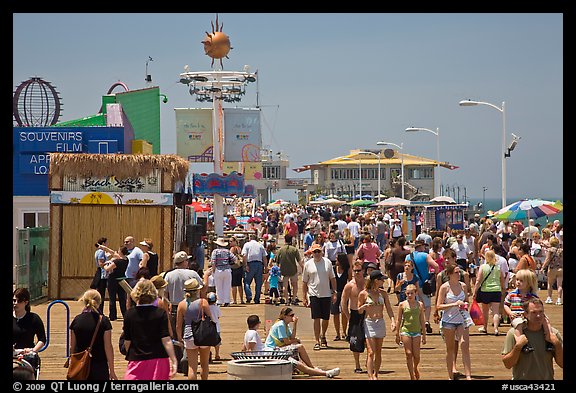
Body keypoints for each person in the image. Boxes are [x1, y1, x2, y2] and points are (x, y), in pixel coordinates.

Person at [122, 279, 178, 380]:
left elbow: (127, 341)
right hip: (159, 359)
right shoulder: (160, 313)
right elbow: (166, 339)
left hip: (137, 359)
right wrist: (174, 360)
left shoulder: (129, 314)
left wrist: (128, 354)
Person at [264, 307, 340, 378]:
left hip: (278, 349)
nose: (293, 317)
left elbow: (292, 337)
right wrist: (295, 340)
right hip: (273, 351)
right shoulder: (280, 325)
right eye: (291, 315)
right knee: (299, 348)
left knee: (298, 347)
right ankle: (318, 371)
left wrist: (295, 324)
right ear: (285, 316)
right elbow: (287, 342)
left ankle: (313, 369)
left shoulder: (285, 325)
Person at [501, 297, 563, 380]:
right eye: (533, 312)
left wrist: (557, 344)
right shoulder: (513, 334)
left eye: (541, 312)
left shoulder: (553, 334)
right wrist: (518, 347)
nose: (538, 316)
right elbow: (507, 364)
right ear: (525, 314)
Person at [69, 289, 117, 380]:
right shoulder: (103, 321)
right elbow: (108, 347)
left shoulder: (76, 320)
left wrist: (72, 364)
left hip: (80, 366)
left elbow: (72, 346)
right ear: (99, 302)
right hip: (99, 365)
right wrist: (112, 370)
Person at [357, 269, 396, 380]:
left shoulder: (382, 293)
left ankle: (376, 374)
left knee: (378, 351)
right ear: (375, 281)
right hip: (369, 322)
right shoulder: (364, 294)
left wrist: (393, 321)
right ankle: (370, 376)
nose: (383, 282)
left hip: (380, 322)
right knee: (370, 352)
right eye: (381, 280)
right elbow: (358, 311)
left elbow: (388, 308)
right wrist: (363, 307)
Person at [436, 264, 472, 380]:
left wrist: (465, 305)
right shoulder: (445, 287)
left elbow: (467, 301)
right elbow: (438, 306)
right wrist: (454, 304)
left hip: (462, 319)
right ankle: (450, 376)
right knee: (450, 349)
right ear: (450, 274)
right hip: (448, 320)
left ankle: (468, 376)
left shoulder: (463, 286)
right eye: (456, 272)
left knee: (464, 345)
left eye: (459, 272)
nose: (459, 274)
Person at [176, 278, 213, 380]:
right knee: (204, 365)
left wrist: (180, 338)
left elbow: (178, 325)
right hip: (203, 335)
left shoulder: (182, 304)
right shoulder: (203, 302)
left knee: (192, 367)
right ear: (197, 290)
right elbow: (212, 319)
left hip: (189, 335)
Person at [302, 243, 337, 350]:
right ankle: (317, 340)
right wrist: (304, 296)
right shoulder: (308, 264)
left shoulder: (327, 262)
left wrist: (334, 292)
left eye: (318, 251)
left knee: (325, 318)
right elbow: (304, 282)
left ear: (321, 252)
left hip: (326, 294)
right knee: (316, 318)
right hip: (313, 294)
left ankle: (323, 335)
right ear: (311, 253)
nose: (317, 254)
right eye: (315, 252)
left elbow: (333, 278)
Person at [407, 240, 439, 334]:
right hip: (424, 284)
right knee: (427, 305)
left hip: (412, 284)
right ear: (421, 247)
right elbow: (436, 266)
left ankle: (417, 323)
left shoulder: (408, 256)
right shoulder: (425, 255)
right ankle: (426, 321)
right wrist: (433, 275)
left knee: (414, 304)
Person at [395, 284, 426, 380]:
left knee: (416, 355)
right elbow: (399, 319)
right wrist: (397, 333)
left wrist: (424, 334)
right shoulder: (402, 305)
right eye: (408, 293)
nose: (409, 295)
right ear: (405, 293)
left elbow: (422, 320)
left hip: (416, 331)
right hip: (406, 330)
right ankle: (412, 376)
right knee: (408, 353)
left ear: (416, 293)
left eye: (411, 293)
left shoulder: (419, 304)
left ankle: (415, 367)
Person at [341, 260, 367, 373]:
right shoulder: (349, 286)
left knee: (368, 339)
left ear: (363, 271)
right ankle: (357, 365)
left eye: (359, 270)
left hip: (367, 314)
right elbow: (343, 302)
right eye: (355, 271)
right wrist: (348, 316)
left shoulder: (367, 284)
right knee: (354, 341)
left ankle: (369, 361)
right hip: (355, 314)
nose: (357, 273)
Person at [13, 288, 46, 374]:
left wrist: (33, 351)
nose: (15, 303)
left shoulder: (34, 318)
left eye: (19, 301)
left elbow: (42, 339)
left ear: (26, 302)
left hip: (27, 355)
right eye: (14, 300)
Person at [473, 249, 505, 335]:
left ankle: (485, 327)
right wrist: (503, 289)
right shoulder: (498, 267)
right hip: (496, 290)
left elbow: (478, 280)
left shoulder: (483, 267)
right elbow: (502, 279)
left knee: (485, 311)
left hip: (485, 290)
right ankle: (496, 329)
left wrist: (475, 291)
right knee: (495, 312)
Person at [103, 246, 129, 321]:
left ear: (120, 252)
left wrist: (104, 265)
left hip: (113, 280)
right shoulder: (126, 260)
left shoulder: (117, 262)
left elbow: (108, 269)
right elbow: (114, 254)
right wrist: (106, 248)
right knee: (122, 299)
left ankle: (113, 316)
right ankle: (125, 314)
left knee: (112, 298)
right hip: (121, 280)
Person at [276, 235, 304, 305]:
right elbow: (299, 261)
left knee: (284, 286)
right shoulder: (294, 249)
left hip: (284, 271)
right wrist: (304, 268)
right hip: (293, 270)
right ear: (291, 240)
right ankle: (294, 299)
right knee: (294, 285)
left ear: (285, 240)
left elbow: (277, 263)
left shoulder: (280, 250)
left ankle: (287, 300)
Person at [241, 233, 268, 304]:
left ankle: (249, 296)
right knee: (258, 283)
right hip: (259, 264)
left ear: (250, 238)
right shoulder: (260, 245)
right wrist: (265, 266)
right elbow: (264, 257)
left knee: (247, 281)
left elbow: (244, 255)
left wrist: (245, 265)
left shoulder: (247, 244)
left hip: (250, 264)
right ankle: (257, 299)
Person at [209, 237, 235, 306]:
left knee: (218, 286)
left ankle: (219, 301)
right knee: (227, 286)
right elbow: (234, 258)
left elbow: (213, 261)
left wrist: (213, 270)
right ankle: (227, 301)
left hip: (218, 270)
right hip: (227, 270)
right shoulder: (227, 251)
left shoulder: (215, 251)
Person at [331, 253, 351, 341]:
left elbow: (350, 281)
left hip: (344, 293)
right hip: (334, 292)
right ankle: (337, 333)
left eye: (337, 259)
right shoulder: (332, 269)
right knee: (335, 313)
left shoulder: (347, 270)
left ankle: (344, 332)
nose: (336, 261)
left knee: (344, 312)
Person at [540, 237, 563, 305]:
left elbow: (547, 260)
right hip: (560, 268)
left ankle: (549, 298)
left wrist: (542, 267)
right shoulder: (561, 250)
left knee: (550, 284)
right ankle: (559, 299)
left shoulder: (550, 250)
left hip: (552, 268)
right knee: (560, 285)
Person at [93, 237, 110, 314]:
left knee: (100, 293)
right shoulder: (101, 252)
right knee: (101, 294)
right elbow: (101, 264)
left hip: (100, 273)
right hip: (102, 275)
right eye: (106, 243)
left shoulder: (97, 252)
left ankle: (98, 310)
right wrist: (109, 262)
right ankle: (100, 311)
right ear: (103, 243)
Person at [228, 236, 245, 304]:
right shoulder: (239, 248)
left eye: (231, 241)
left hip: (234, 267)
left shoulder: (232, 249)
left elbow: (230, 258)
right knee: (240, 284)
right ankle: (241, 300)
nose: (230, 242)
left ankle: (234, 300)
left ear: (235, 241)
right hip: (240, 267)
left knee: (234, 285)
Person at [206, 292, 222, 361]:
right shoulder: (216, 307)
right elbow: (218, 316)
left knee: (208, 342)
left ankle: (208, 354)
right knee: (217, 342)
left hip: (208, 327)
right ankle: (217, 354)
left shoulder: (206, 308)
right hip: (216, 327)